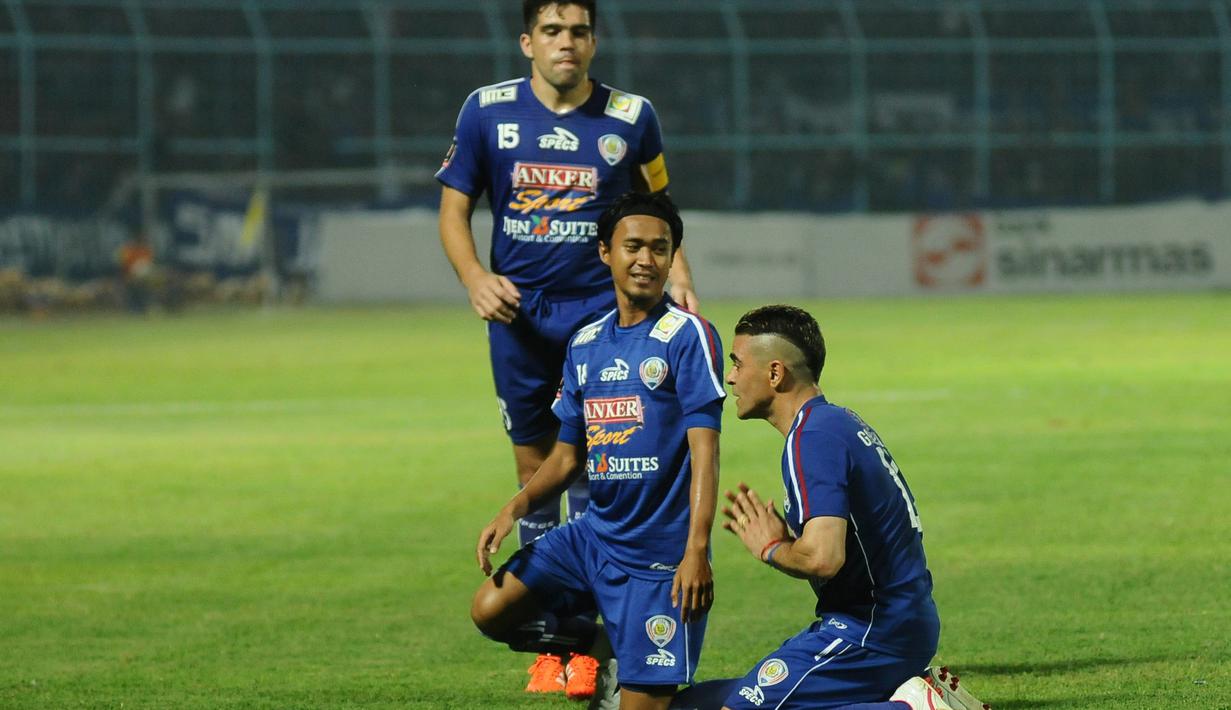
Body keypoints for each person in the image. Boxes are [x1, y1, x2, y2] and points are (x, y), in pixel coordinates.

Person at [438, 0, 699, 695]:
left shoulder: (630, 117)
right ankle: (562, 637)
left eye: (578, 31)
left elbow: (660, 210)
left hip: (599, 317)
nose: (565, 43)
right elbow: (455, 208)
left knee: (601, 464)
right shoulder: (486, 111)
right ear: (527, 42)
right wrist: (473, 277)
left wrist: (682, 279)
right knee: (535, 469)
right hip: (519, 318)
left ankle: (598, 634)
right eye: (551, 31)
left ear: (593, 42)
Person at [470, 192, 724, 710]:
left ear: (673, 256)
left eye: (660, 248)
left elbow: (706, 453)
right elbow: (566, 459)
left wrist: (695, 550)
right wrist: (511, 509)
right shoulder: (586, 343)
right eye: (633, 246)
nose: (646, 260)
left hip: (660, 557)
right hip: (594, 539)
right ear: (605, 251)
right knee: (492, 609)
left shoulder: (688, 336)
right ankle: (599, 645)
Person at [669, 305, 988, 710]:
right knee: (689, 704)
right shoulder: (836, 423)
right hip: (898, 624)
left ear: (775, 373)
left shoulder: (812, 438)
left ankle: (911, 709)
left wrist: (772, 547)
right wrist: (788, 542)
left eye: (737, 363)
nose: (730, 376)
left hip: (870, 633)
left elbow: (823, 558)